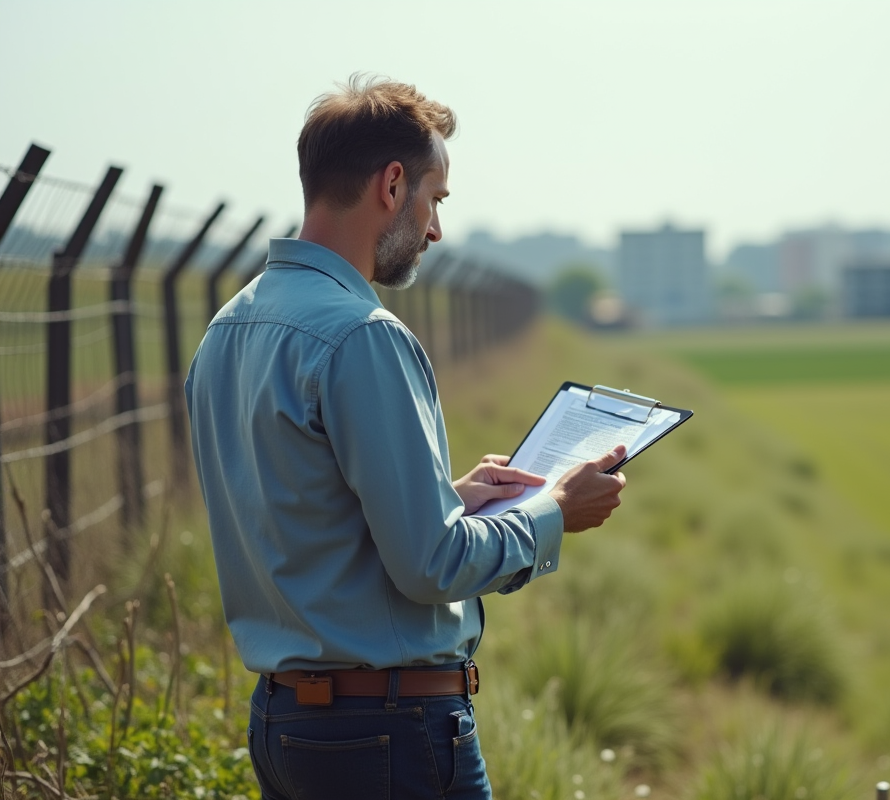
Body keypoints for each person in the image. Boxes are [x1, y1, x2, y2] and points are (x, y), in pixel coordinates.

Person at [184, 75, 627, 800]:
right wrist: (552, 513)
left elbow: (302, 516)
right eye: (436, 199)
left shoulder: (226, 330)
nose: (435, 230)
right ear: (393, 185)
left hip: (283, 726)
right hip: (388, 732)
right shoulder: (363, 336)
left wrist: (446, 496)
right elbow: (433, 565)